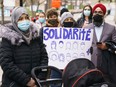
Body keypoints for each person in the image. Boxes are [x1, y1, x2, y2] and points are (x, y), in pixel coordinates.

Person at [0, 7, 48, 87]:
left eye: (26, 18)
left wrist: (39, 79)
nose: (24, 21)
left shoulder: (35, 36)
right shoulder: (7, 39)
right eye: (20, 19)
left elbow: (44, 57)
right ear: (15, 20)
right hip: (14, 84)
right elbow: (6, 64)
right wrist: (27, 81)